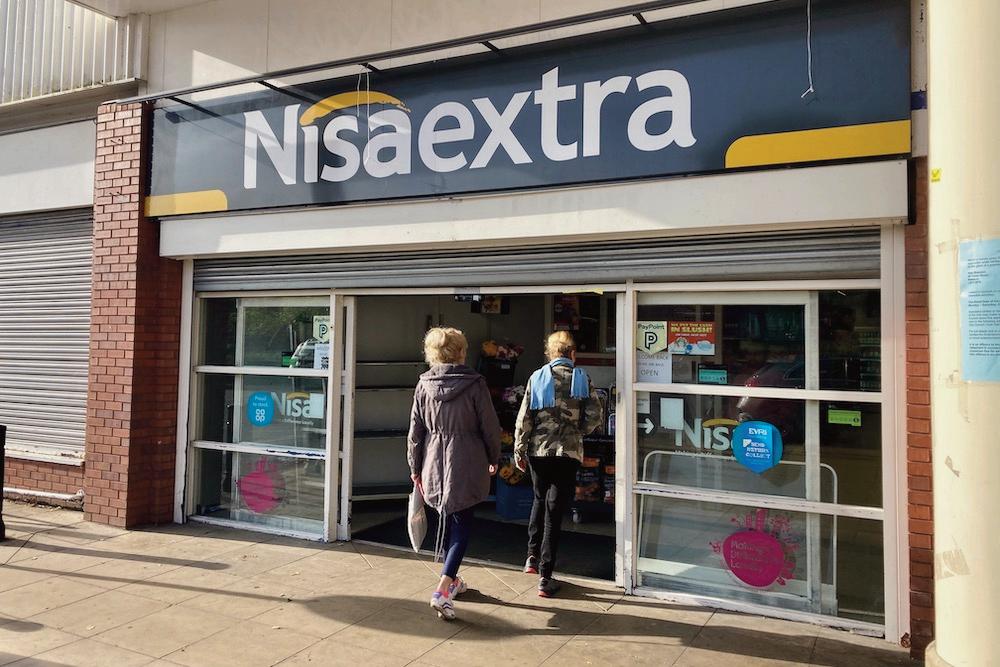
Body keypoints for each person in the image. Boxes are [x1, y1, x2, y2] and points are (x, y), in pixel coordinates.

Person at [407, 327, 501, 621]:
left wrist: (415, 467)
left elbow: (415, 433)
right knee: (462, 523)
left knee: (448, 519)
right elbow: (490, 427)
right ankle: (442, 590)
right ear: (461, 352)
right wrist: (494, 457)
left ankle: (453, 580)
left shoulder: (423, 385)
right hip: (467, 460)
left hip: (434, 461)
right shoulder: (475, 384)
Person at [514, 331, 603, 597]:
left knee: (539, 499)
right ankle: (546, 576)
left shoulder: (537, 377)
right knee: (554, 510)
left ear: (550, 353)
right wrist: (578, 432)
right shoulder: (581, 378)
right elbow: (595, 415)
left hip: (538, 451)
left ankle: (531, 556)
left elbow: (524, 417)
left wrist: (519, 449)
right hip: (568, 453)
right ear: (572, 353)